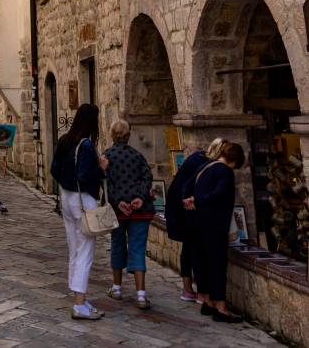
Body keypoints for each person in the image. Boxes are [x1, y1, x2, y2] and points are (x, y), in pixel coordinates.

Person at [50, 103, 107, 321]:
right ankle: (79, 304)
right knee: (85, 251)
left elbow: (54, 169)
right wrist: (101, 169)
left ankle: (78, 296)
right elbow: (85, 175)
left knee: (74, 249)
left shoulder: (65, 140)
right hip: (83, 200)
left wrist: (67, 182)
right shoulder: (86, 146)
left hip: (66, 198)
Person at [182, 140, 245, 323]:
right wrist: (199, 201)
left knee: (202, 261)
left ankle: (207, 301)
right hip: (214, 225)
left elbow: (186, 186)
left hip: (197, 223)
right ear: (235, 160)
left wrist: (190, 200)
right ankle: (220, 307)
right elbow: (218, 194)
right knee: (217, 264)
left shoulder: (206, 166)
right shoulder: (225, 172)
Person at [165, 137, 226, 302]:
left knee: (189, 248)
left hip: (183, 207)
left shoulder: (199, 159)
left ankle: (190, 289)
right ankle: (198, 292)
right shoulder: (203, 164)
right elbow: (189, 187)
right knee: (194, 249)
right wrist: (193, 203)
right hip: (185, 209)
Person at [103, 119, 155, 310]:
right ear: (128, 135)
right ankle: (141, 295)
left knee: (117, 245)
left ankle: (117, 288)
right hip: (139, 211)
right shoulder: (137, 156)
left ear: (112, 134)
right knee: (138, 247)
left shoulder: (106, 157)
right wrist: (140, 198)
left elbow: (106, 183)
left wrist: (119, 202)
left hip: (118, 211)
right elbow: (147, 177)